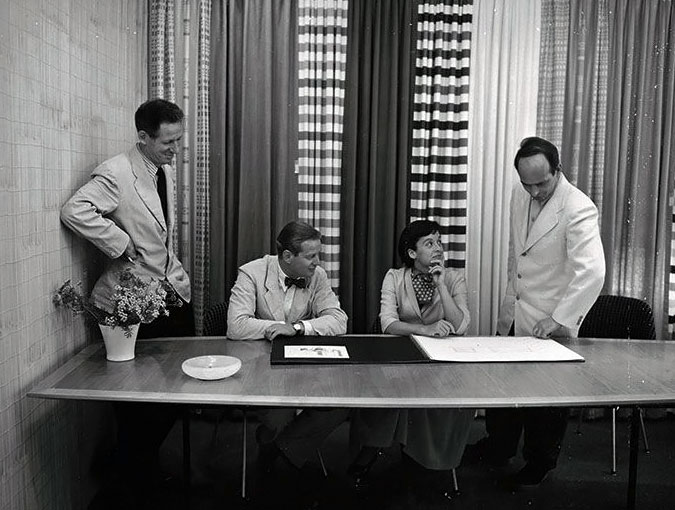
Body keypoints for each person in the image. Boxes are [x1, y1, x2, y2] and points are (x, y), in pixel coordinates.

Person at [60, 98, 194, 507]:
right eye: (168, 142)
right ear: (142, 137)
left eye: (178, 140)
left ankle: (133, 474)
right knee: (140, 407)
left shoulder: (160, 170)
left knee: (173, 395)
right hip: (133, 302)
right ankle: (130, 483)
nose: (175, 149)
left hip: (168, 294)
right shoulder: (116, 172)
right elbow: (74, 210)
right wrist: (120, 243)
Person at [463, 136, 605, 487]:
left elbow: (593, 271)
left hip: (550, 319)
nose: (535, 191)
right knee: (502, 390)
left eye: (542, 182)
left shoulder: (578, 207)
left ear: (558, 170)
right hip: (516, 309)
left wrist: (559, 319)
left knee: (544, 403)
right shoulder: (519, 193)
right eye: (528, 183)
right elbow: (519, 254)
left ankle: (539, 464)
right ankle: (498, 449)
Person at [350, 220, 474, 505]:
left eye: (440, 242)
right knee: (397, 389)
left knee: (442, 395)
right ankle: (387, 451)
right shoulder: (394, 277)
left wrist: (441, 285)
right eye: (429, 243)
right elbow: (387, 323)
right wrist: (424, 329)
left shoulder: (455, 278)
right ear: (411, 253)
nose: (438, 248)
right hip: (401, 353)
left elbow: (463, 325)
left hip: (440, 359)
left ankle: (429, 459)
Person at [227, 220, 349, 478]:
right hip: (262, 368)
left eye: (318, 255)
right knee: (277, 417)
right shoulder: (252, 273)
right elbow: (236, 326)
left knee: (342, 403)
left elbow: (339, 320)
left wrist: (298, 328)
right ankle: (284, 447)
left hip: (304, 367)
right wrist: (278, 326)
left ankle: (277, 449)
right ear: (287, 256)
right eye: (311, 256)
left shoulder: (318, 276)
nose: (317, 262)